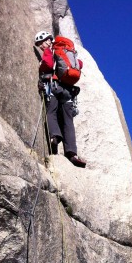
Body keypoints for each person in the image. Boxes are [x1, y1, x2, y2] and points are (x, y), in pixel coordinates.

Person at [35, 30, 86, 168]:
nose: (41, 47)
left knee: (51, 112)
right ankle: (72, 153)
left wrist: (42, 69)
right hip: (69, 91)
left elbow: (47, 63)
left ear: (46, 41)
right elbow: (79, 64)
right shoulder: (66, 51)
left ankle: (54, 137)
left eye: (41, 43)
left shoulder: (50, 50)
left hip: (55, 86)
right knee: (68, 121)